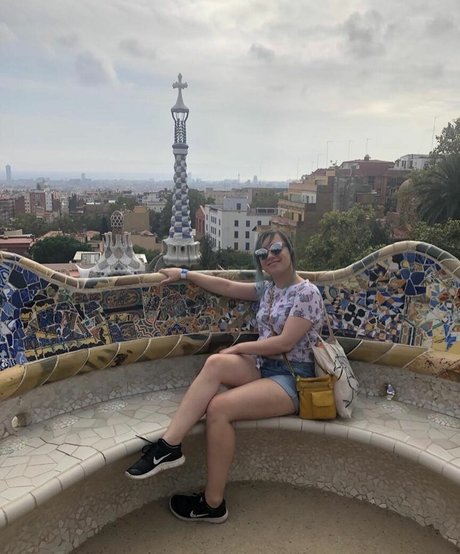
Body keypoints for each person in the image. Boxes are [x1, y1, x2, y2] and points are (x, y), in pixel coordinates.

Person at [125, 230, 324, 523]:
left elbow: (284, 343)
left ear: (290, 251)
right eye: (262, 254)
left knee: (218, 408)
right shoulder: (269, 290)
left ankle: (213, 503)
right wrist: (184, 274)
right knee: (216, 363)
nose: (270, 256)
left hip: (292, 379)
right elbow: (228, 286)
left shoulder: (307, 293)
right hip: (263, 367)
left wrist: (239, 347)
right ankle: (169, 446)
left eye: (276, 249)